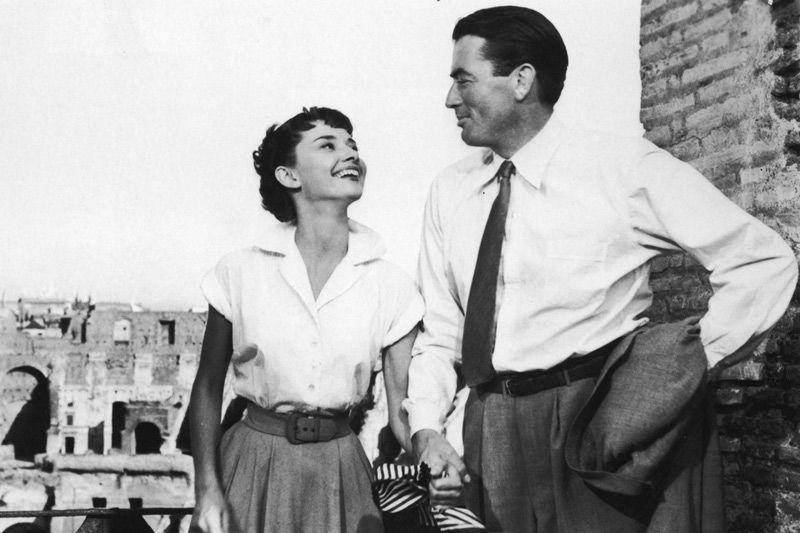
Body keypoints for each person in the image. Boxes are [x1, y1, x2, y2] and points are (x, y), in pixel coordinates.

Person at [403, 6, 798, 532]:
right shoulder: (450, 191)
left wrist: (682, 367)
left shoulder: (621, 167)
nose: (450, 99)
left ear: (521, 80)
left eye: (463, 80)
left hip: (596, 424)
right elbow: (441, 331)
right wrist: (427, 427)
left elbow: (761, 260)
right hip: (490, 428)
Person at [189, 106, 423, 533]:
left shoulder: (392, 285)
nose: (350, 154)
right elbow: (207, 388)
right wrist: (207, 489)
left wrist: (433, 453)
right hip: (250, 468)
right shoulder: (239, 272)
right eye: (328, 145)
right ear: (288, 175)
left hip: (341, 475)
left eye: (352, 144)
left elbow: (402, 412)